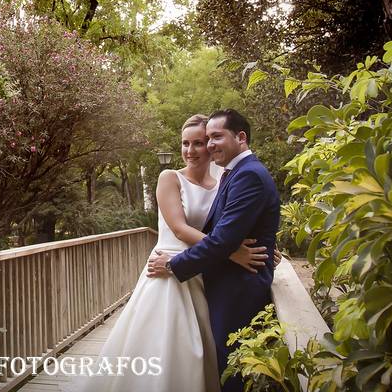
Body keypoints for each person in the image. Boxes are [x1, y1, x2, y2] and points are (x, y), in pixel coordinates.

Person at [62, 114, 268, 392]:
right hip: (167, 267)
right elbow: (181, 229)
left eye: (198, 142)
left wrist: (267, 248)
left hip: (202, 270)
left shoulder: (224, 179)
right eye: (185, 143)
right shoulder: (169, 177)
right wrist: (231, 252)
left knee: (204, 346)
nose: (190, 150)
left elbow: (232, 224)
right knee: (165, 346)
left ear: (209, 145)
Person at [147, 108, 280, 392]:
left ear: (240, 137)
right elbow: (197, 231)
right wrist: (232, 251)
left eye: (210, 139)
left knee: (223, 360)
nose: (203, 146)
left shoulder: (241, 175)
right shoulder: (183, 176)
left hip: (218, 279)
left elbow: (227, 233)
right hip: (183, 267)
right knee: (175, 348)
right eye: (191, 142)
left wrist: (266, 247)